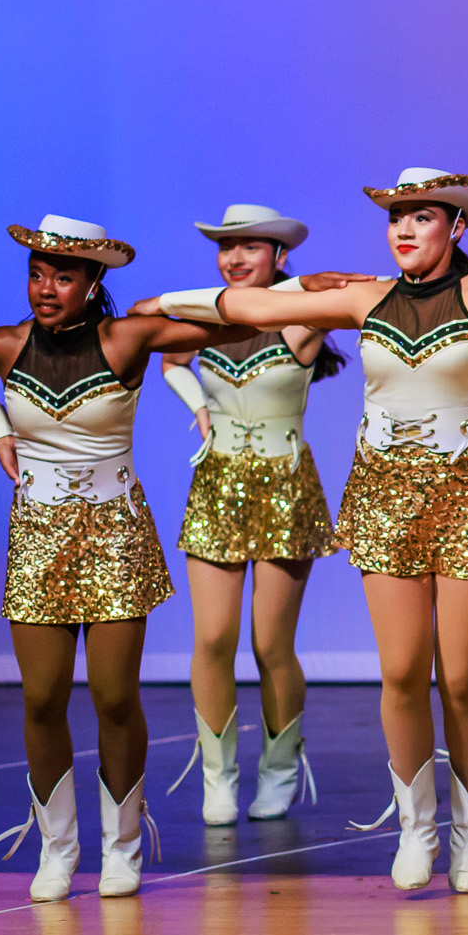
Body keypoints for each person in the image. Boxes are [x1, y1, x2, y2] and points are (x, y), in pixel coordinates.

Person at [151, 169, 468, 894]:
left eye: (421, 216)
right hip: (384, 497)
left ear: (457, 226)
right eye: (396, 216)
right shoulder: (364, 296)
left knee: (463, 676)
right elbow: (248, 302)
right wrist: (156, 307)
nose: (405, 228)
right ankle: (415, 825)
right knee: (403, 670)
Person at [0, 215, 241, 902]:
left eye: (63, 275)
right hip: (38, 535)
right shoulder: (4, 344)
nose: (45, 288)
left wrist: (164, 305)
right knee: (41, 697)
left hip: (115, 531)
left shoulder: (127, 339)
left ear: (94, 282)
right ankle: (58, 847)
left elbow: (228, 330)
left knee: (115, 696)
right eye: (37, 273)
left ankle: (122, 846)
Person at [155, 203, 341, 826]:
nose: (234, 259)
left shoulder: (299, 319)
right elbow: (170, 355)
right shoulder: (208, 313)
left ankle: (281, 770)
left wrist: (300, 288)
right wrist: (199, 408)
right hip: (218, 479)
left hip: (285, 483)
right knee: (211, 638)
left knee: (270, 644)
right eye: (226, 248)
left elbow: (338, 294)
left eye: (250, 248)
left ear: (279, 256)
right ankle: (217, 777)